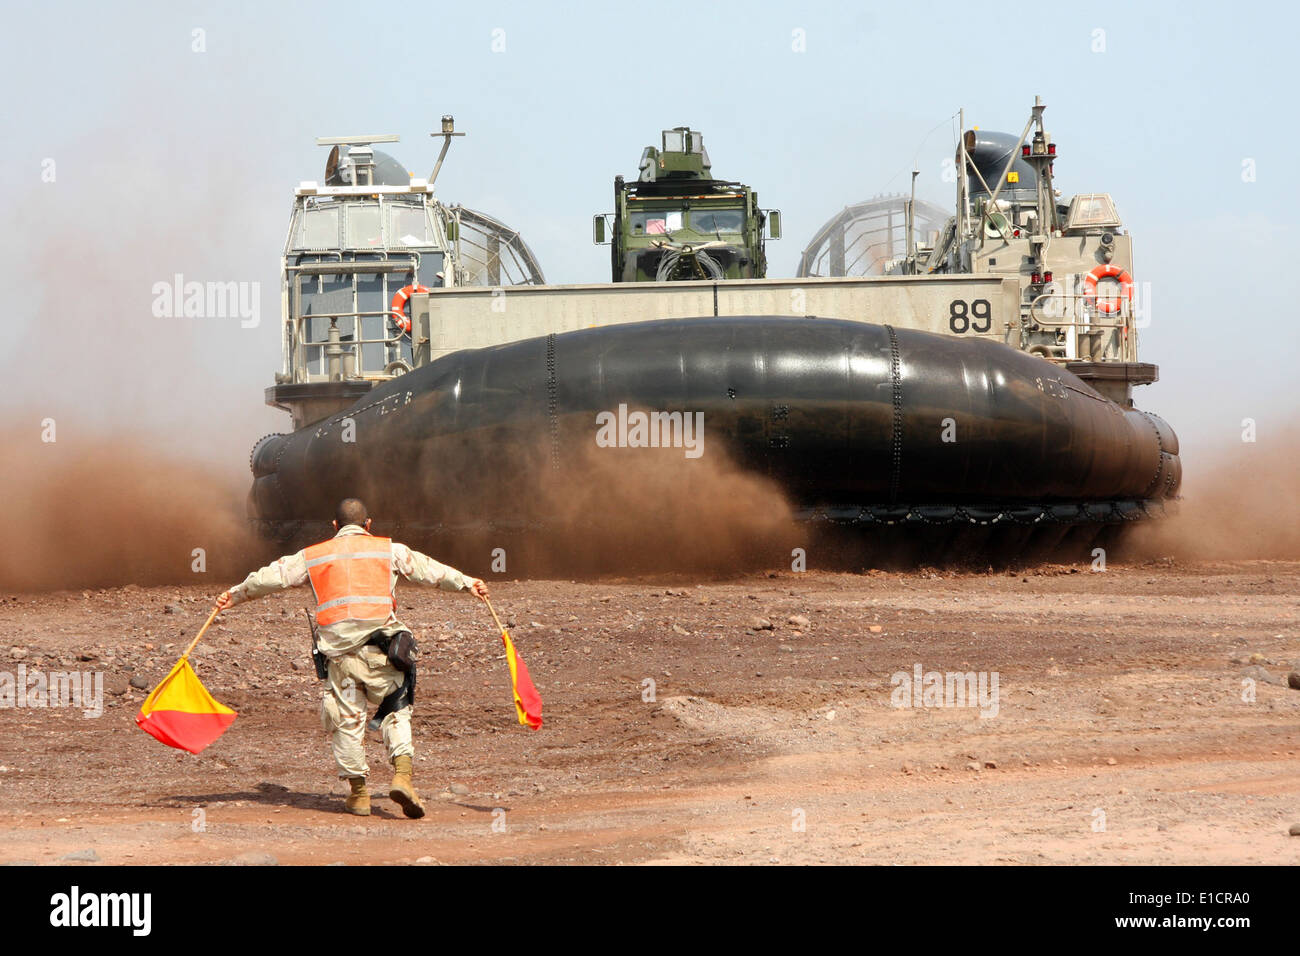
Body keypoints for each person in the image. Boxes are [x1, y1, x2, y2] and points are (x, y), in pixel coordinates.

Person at [214, 497, 489, 819]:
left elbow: (271, 577)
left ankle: (359, 795)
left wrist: (233, 596)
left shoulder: (313, 556)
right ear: (368, 525)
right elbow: (432, 572)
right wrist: (469, 584)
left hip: (341, 659)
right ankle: (402, 776)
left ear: (334, 527)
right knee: (396, 712)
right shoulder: (389, 550)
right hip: (384, 653)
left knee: (346, 720)